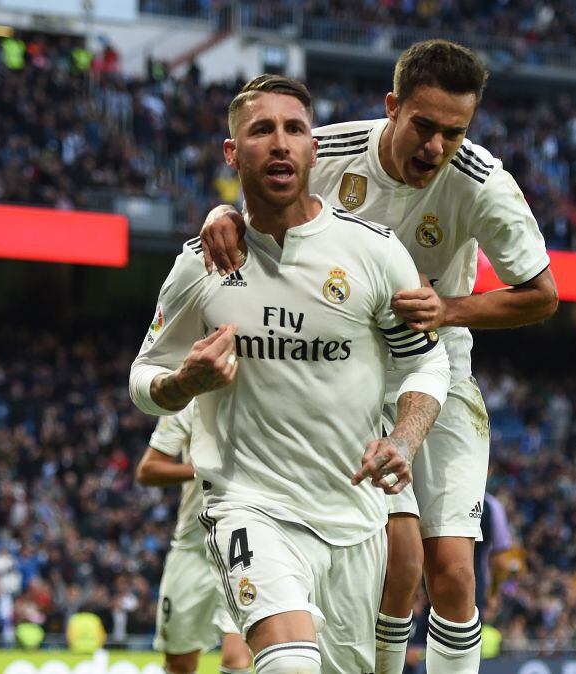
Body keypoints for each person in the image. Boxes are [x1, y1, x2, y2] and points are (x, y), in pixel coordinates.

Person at [200, 39, 557, 674]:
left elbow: (542, 296)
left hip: (439, 368)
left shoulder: (482, 183)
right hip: (350, 372)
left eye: (454, 132)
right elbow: (264, 193)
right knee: (400, 559)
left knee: (451, 571)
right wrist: (222, 212)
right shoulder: (329, 152)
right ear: (391, 107)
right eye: (424, 126)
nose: (436, 148)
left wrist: (450, 309)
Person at [130, 74, 450, 674]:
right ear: (234, 153)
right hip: (249, 507)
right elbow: (144, 374)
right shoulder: (201, 264)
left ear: (313, 149)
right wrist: (181, 385)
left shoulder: (374, 253)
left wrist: (405, 439)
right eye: (262, 130)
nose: (280, 143)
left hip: (353, 519)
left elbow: (426, 361)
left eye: (294, 129)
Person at [135, 401, 252, 674]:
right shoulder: (189, 403)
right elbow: (147, 470)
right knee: (179, 663)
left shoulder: (260, 398)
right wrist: (203, 469)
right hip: (192, 548)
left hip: (241, 543)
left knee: (237, 659)